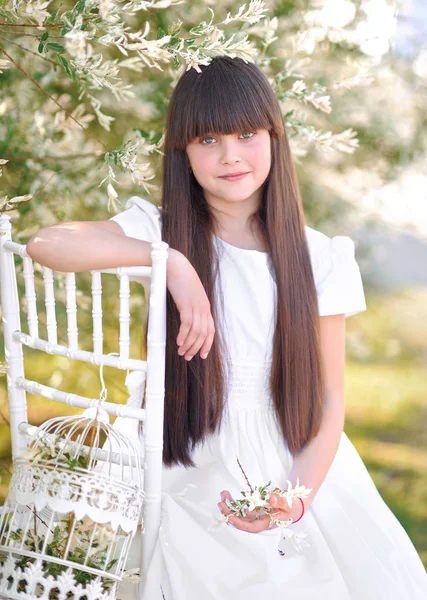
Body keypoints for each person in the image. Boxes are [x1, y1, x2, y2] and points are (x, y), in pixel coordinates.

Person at [26, 56, 427, 600]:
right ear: (184, 153)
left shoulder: (321, 257)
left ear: (274, 136)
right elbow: (47, 242)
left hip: (291, 460)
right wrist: (170, 262)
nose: (230, 155)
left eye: (245, 133)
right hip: (188, 455)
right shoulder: (163, 231)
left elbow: (331, 400)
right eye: (208, 140)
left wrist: (298, 494)